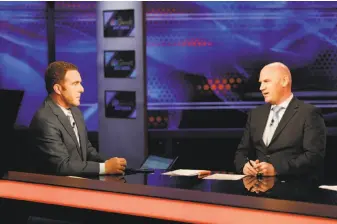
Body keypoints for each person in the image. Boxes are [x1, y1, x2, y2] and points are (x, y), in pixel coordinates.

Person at [30, 61, 127, 176]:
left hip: (80, 184)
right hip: (56, 189)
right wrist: (105, 167)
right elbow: (61, 166)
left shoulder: (76, 112)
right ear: (58, 89)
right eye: (75, 84)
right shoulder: (45, 119)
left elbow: (87, 150)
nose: (82, 89)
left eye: (80, 83)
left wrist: (113, 164)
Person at [234, 62, 326, 180]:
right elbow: (241, 153)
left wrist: (276, 169)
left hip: (295, 190)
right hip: (258, 190)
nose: (261, 87)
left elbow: (314, 156)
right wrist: (245, 166)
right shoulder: (255, 114)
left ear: (284, 81)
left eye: (266, 81)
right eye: (261, 83)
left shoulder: (308, 113)